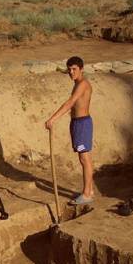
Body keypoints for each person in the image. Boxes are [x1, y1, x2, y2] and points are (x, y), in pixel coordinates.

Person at [44, 56, 95, 205]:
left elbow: (70, 102)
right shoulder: (77, 83)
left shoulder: (83, 84)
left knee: (84, 158)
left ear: (81, 69)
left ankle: (86, 195)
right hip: (78, 123)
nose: (71, 72)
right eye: (69, 69)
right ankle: (89, 190)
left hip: (83, 124)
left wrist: (53, 119)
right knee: (84, 158)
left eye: (74, 69)